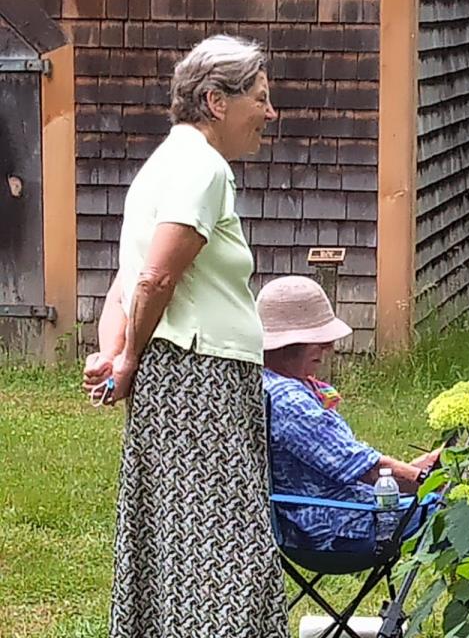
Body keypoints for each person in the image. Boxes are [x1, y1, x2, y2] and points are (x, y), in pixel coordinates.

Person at [81, 35, 287, 637]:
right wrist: (125, 359)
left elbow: (126, 283)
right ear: (215, 101)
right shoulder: (202, 168)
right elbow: (155, 274)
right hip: (203, 378)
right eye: (261, 98)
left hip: (182, 380)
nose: (270, 114)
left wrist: (116, 352)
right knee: (233, 550)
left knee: (176, 544)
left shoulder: (161, 165)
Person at [257, 276, 441, 553]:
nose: (329, 347)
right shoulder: (290, 401)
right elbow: (365, 468)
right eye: (319, 340)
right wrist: (433, 482)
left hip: (329, 513)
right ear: (289, 344)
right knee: (468, 509)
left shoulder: (268, 383)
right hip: (337, 526)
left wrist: (422, 467)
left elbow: (352, 464)